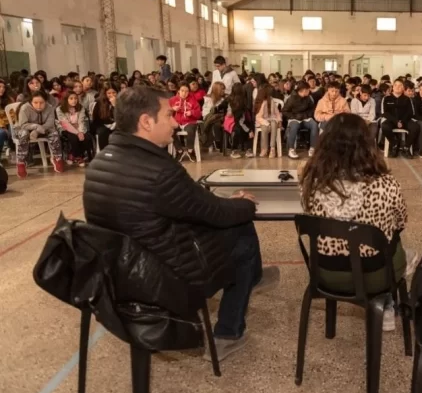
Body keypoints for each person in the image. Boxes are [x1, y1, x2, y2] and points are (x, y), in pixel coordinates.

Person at [83, 86, 278, 361]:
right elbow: (214, 213)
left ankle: (253, 278)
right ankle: (228, 333)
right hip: (163, 283)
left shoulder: (99, 164)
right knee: (241, 230)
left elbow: (181, 205)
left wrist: (218, 202)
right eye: (169, 114)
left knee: (229, 218)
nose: (176, 122)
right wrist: (243, 204)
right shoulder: (159, 171)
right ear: (146, 122)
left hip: (120, 277)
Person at [299, 113, 408, 331]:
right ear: (367, 143)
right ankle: (386, 303)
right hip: (374, 275)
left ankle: (382, 304)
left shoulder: (311, 182)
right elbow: (401, 222)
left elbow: (308, 211)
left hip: (326, 272)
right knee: (393, 241)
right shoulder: (385, 183)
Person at [15, 91, 64, 178]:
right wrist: (36, 127)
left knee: (54, 133)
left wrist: (37, 131)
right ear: (31, 102)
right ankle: (21, 162)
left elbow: (50, 123)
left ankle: (57, 158)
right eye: (35, 103)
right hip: (26, 129)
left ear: (45, 101)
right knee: (23, 133)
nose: (38, 105)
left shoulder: (49, 108)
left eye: (41, 103)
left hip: (44, 129)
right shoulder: (24, 108)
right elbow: (23, 124)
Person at [381, 79, 419, 159]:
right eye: (396, 85)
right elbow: (384, 113)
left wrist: (402, 121)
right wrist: (395, 121)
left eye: (400, 85)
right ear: (392, 87)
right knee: (384, 126)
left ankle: (406, 147)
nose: (398, 87)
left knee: (415, 127)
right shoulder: (386, 98)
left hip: (405, 121)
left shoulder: (407, 99)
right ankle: (395, 144)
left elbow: (410, 113)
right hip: (391, 121)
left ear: (403, 88)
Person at [56, 92, 93, 167]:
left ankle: (72, 154)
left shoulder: (81, 107)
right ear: (66, 99)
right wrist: (77, 133)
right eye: (71, 98)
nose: (74, 100)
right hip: (65, 129)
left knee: (87, 138)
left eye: (75, 98)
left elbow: (81, 121)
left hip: (79, 127)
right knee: (73, 138)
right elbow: (65, 124)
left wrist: (81, 132)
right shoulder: (59, 109)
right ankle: (78, 156)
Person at [169, 83, 203, 161]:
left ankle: (190, 150)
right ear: (178, 91)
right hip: (176, 122)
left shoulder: (193, 100)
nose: (184, 93)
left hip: (189, 122)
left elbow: (199, 113)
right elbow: (165, 112)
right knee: (170, 130)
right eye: (182, 91)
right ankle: (179, 150)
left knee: (191, 130)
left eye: (187, 91)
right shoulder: (172, 100)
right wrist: (172, 109)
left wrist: (192, 113)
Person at [254, 84, 282, 158]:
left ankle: (272, 148)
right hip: (262, 120)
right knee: (265, 127)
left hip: (272, 119)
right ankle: (264, 149)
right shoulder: (259, 102)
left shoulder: (271, 100)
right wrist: (266, 123)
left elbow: (277, 112)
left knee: (273, 123)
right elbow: (258, 117)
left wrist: (279, 120)